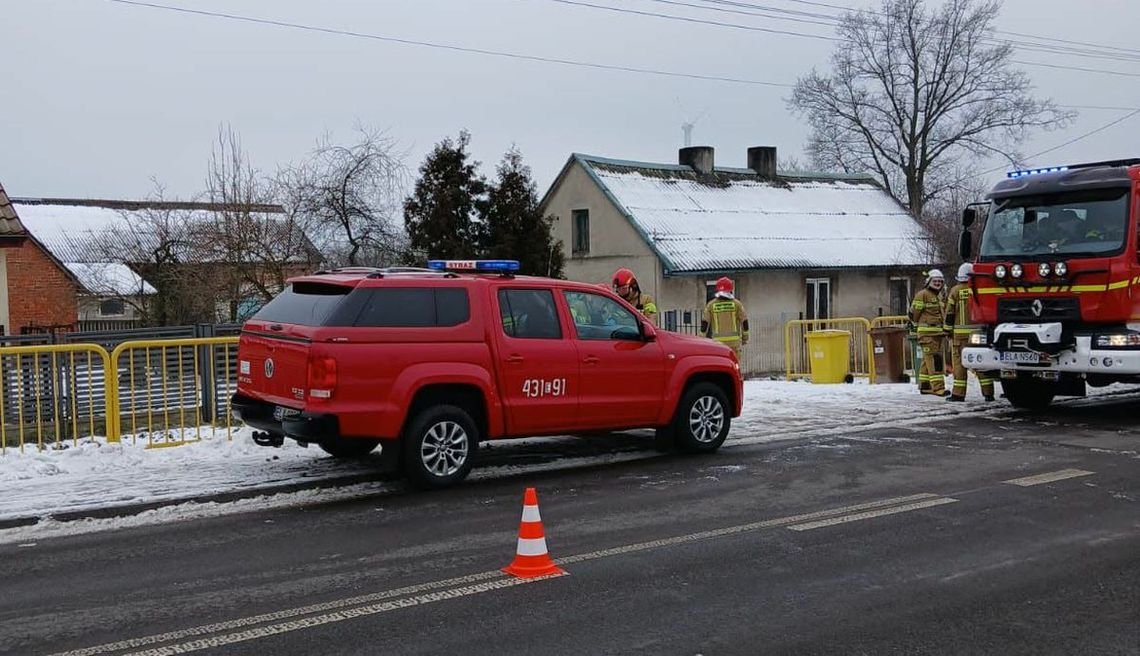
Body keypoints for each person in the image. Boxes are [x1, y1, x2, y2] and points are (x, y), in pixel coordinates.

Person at [943, 263, 996, 402]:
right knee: (981, 364)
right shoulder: (979, 289)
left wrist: (947, 330)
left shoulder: (955, 291)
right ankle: (988, 393)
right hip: (979, 334)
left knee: (960, 365)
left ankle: (958, 394)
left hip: (960, 336)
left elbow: (949, 313)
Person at [910, 268, 949, 396]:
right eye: (935, 281)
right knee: (935, 361)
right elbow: (914, 313)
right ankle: (938, 388)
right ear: (928, 281)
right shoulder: (923, 294)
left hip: (937, 334)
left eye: (940, 281)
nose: (938, 283)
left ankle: (925, 386)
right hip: (928, 335)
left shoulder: (938, 296)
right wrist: (916, 324)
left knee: (927, 361)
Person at [702, 277, 749, 357]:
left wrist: (702, 339)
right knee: (734, 365)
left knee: (720, 365)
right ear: (730, 290)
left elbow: (704, 324)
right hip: (734, 343)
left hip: (717, 343)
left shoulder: (711, 305)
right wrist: (745, 338)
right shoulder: (737, 304)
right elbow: (744, 322)